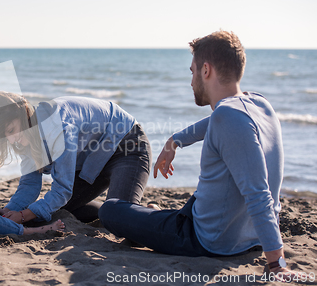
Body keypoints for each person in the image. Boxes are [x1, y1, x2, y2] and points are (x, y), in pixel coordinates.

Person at [98, 30, 299, 279]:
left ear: (206, 70)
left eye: (192, 72)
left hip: (205, 239)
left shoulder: (227, 118)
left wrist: (278, 265)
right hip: (250, 237)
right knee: (170, 213)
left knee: (110, 209)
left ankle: (156, 214)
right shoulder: (259, 104)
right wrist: (175, 141)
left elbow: (258, 195)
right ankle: (157, 214)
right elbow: (215, 122)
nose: (191, 81)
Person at [0, 92, 151, 224]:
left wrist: (23, 216)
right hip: (93, 161)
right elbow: (30, 184)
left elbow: (62, 189)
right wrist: (9, 212)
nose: (11, 139)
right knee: (58, 212)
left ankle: (153, 213)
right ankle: (117, 211)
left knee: (121, 221)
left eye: (11, 130)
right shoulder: (26, 136)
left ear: (23, 116)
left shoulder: (57, 126)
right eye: (5, 135)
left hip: (128, 145)